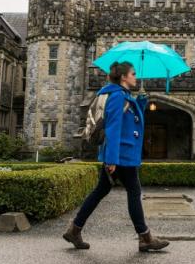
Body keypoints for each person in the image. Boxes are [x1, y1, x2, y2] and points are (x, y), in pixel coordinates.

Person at [63, 61, 170, 252]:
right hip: (121, 153)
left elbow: (130, 121)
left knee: (101, 190)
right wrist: (111, 159)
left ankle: (75, 230)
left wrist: (141, 102)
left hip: (122, 152)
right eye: (133, 74)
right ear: (123, 77)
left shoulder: (123, 95)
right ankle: (145, 237)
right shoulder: (117, 96)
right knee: (133, 192)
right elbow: (113, 128)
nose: (136, 77)